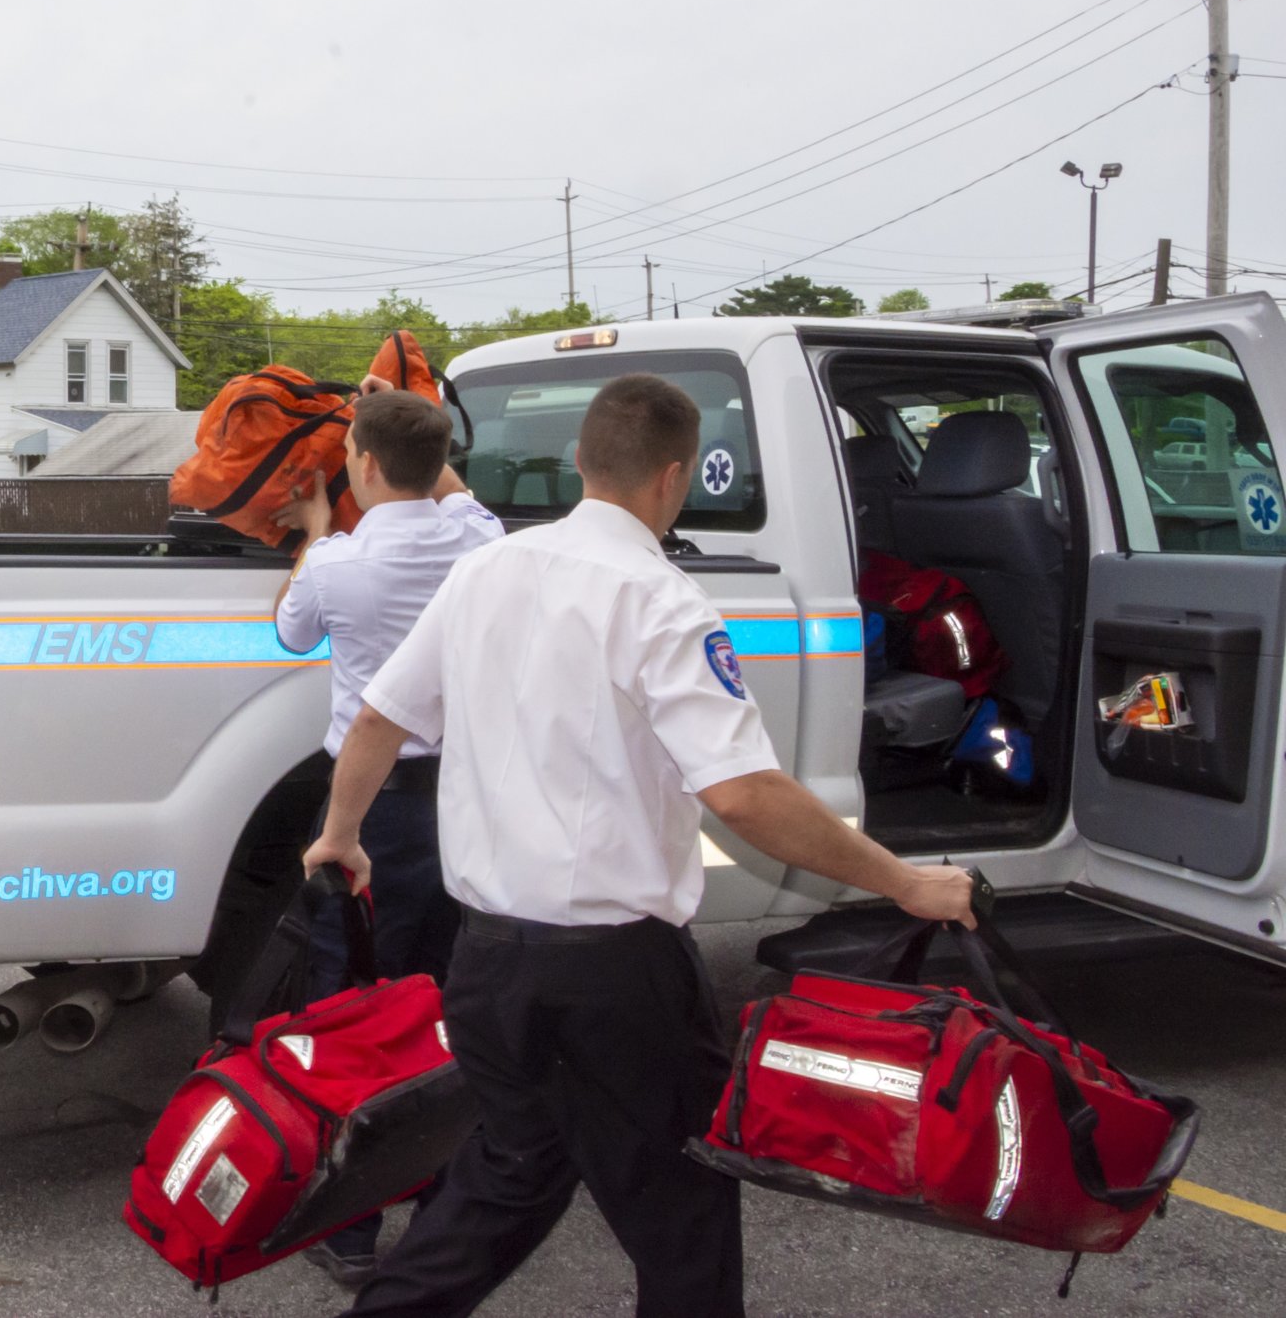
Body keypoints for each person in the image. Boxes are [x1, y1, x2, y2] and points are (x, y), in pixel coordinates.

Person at [302, 373, 976, 1318]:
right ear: (677, 479)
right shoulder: (664, 602)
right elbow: (743, 793)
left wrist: (342, 835)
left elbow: (378, 719)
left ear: (579, 461)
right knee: (682, 1205)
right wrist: (903, 880)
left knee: (510, 1175)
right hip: (614, 974)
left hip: (488, 957)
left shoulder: (488, 570)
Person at [271, 390, 501, 1289]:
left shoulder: (335, 562)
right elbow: (446, 487)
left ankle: (352, 1226)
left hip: (370, 812)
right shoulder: (481, 542)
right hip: (466, 803)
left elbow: (290, 630)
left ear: (360, 464)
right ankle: (443, 1207)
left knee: (353, 1011)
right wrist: (408, 425)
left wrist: (316, 524)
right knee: (446, 1001)